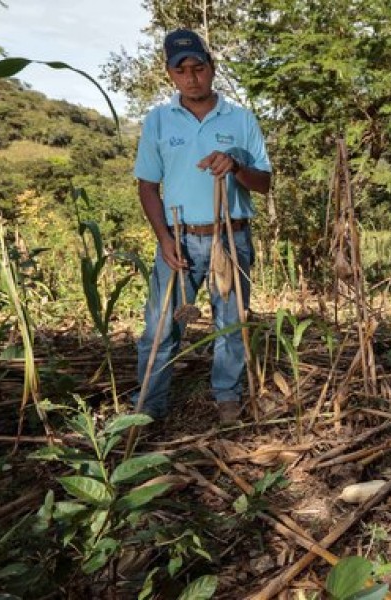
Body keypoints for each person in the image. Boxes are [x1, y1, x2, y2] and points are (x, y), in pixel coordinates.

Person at [133, 28, 272, 425]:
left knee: (231, 325)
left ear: (212, 68)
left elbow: (264, 184)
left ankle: (227, 397)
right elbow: (147, 185)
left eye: (199, 67)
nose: (191, 76)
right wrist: (163, 238)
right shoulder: (158, 121)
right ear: (170, 75)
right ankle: (148, 407)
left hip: (231, 237)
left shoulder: (241, 119)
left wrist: (236, 166)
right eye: (182, 70)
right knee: (159, 329)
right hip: (178, 238)